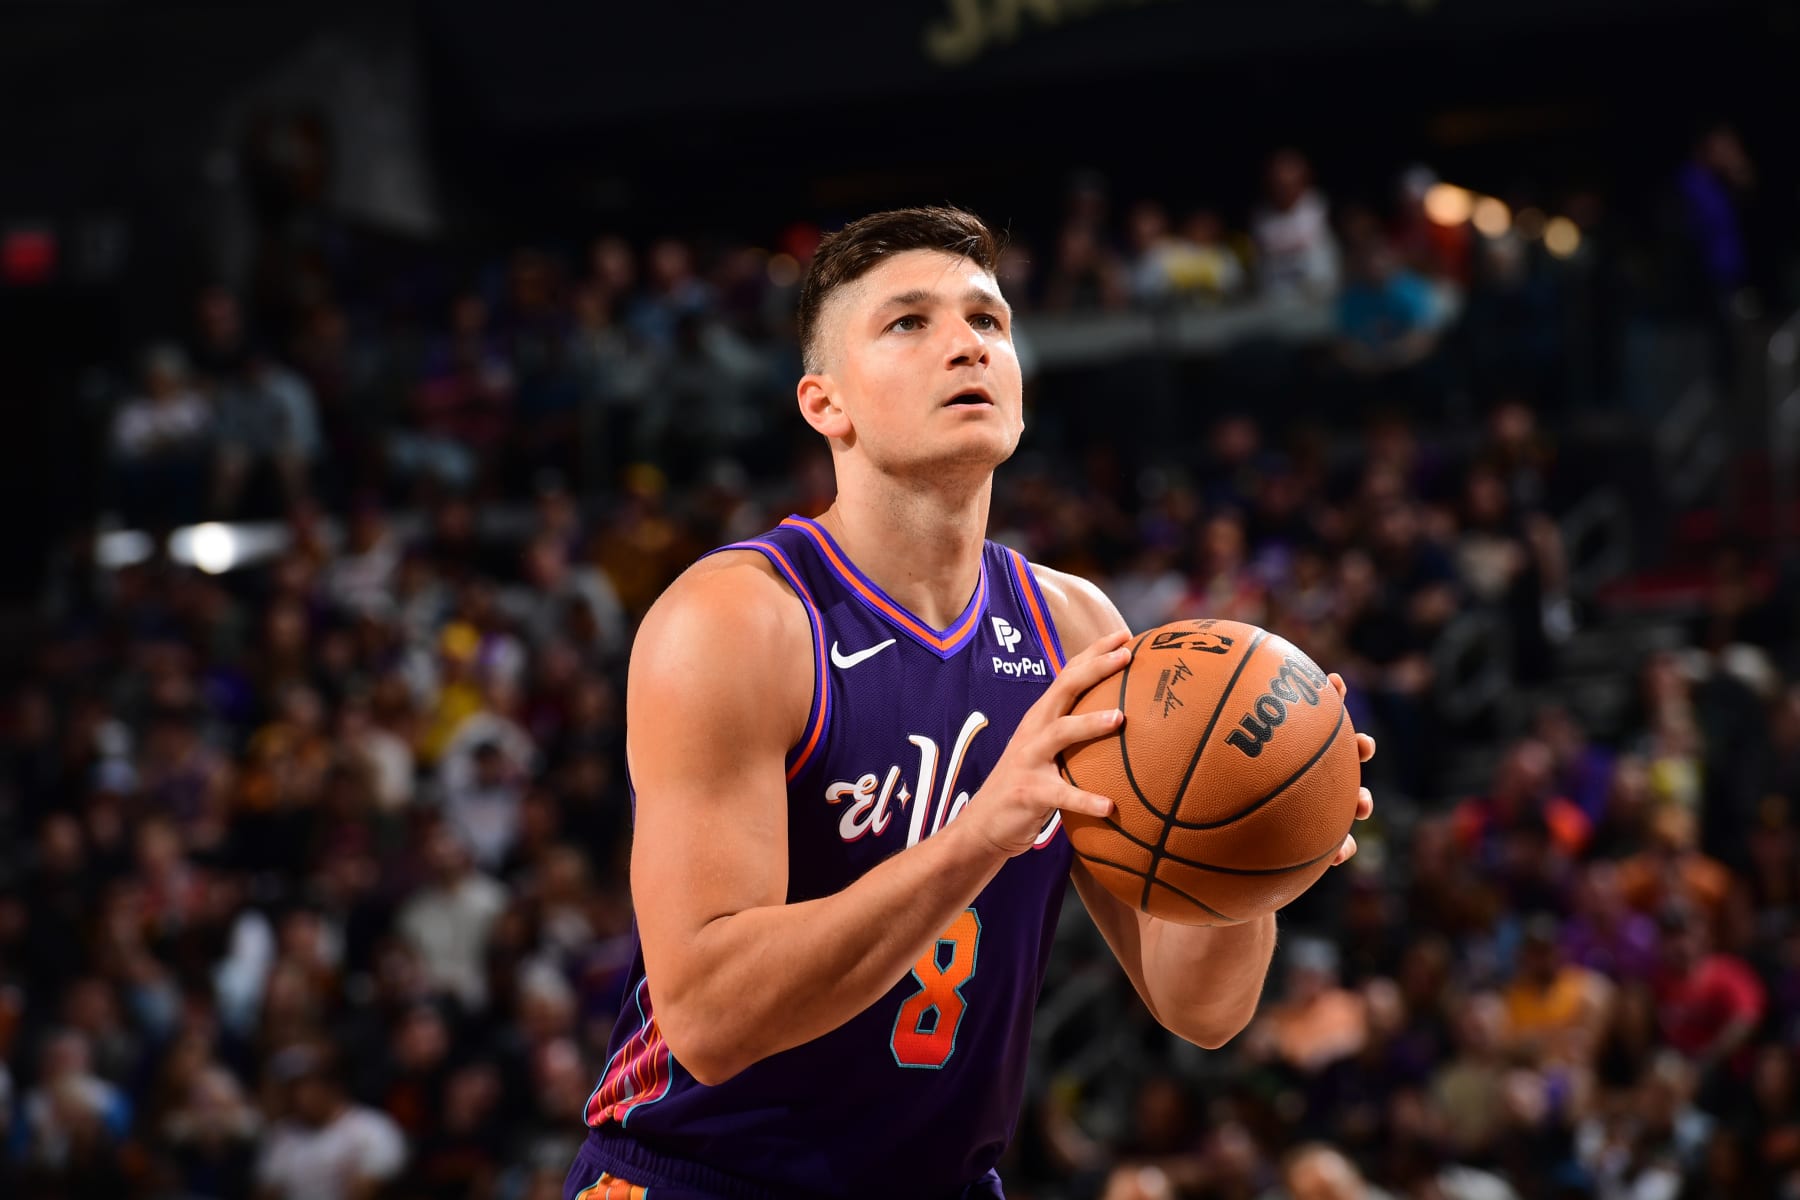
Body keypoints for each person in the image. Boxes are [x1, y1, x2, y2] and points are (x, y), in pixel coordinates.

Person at [562, 207, 1377, 1200]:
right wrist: (978, 835)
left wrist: (1260, 839)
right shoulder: (739, 621)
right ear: (827, 405)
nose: (966, 344)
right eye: (909, 322)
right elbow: (709, 1018)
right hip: (703, 1174)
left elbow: (1197, 1007)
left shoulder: (1076, 631)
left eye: (987, 321)